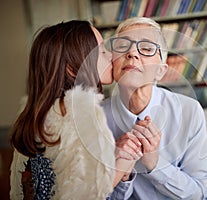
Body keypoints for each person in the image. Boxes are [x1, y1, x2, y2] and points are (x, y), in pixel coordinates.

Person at [9, 20, 141, 200]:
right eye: (101, 51)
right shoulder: (78, 113)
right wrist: (123, 163)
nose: (110, 55)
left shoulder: (43, 113)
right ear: (72, 68)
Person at [102, 17, 207, 199]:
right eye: (122, 46)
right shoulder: (96, 117)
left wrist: (155, 163)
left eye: (146, 48)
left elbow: (198, 193)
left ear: (161, 70)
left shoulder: (189, 111)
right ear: (112, 63)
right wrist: (121, 174)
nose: (132, 53)